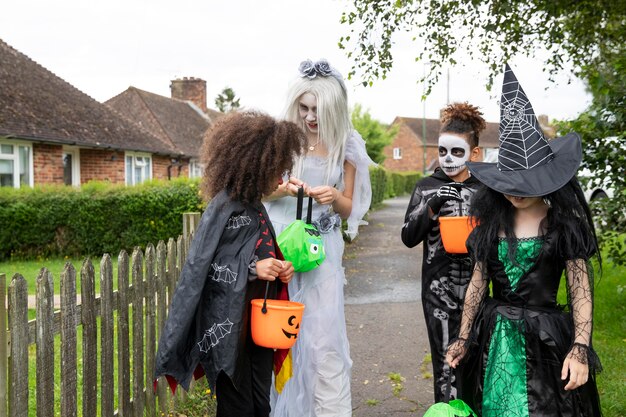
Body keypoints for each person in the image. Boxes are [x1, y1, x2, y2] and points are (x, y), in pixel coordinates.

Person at [445, 64, 602, 417]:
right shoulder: (491, 224)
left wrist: (580, 347)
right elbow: (477, 282)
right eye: (510, 185)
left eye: (525, 185)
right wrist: (464, 336)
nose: (516, 194)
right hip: (494, 339)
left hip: (545, 341)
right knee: (494, 406)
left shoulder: (564, 226)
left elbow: (580, 288)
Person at [154, 111, 307, 417]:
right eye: (276, 170)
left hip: (260, 328)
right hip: (229, 332)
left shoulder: (256, 208)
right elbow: (202, 270)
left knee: (260, 404)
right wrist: (253, 269)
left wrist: (280, 269)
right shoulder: (223, 207)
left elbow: (262, 254)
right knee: (236, 408)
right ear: (254, 164)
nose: (280, 179)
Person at [264, 59, 373, 417]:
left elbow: (347, 207)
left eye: (319, 109)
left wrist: (333, 196)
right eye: (305, 107)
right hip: (280, 249)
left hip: (321, 252)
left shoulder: (347, 145)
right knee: (280, 336)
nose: (311, 117)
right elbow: (260, 192)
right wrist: (281, 191)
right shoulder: (281, 140)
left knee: (323, 340)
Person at [401, 102, 486, 401]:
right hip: (439, 292)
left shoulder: (487, 189)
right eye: (442, 151)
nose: (448, 159)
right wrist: (432, 206)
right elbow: (408, 236)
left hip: (482, 289)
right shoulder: (427, 186)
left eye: (457, 152)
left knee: (480, 362)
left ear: (475, 154)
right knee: (445, 363)